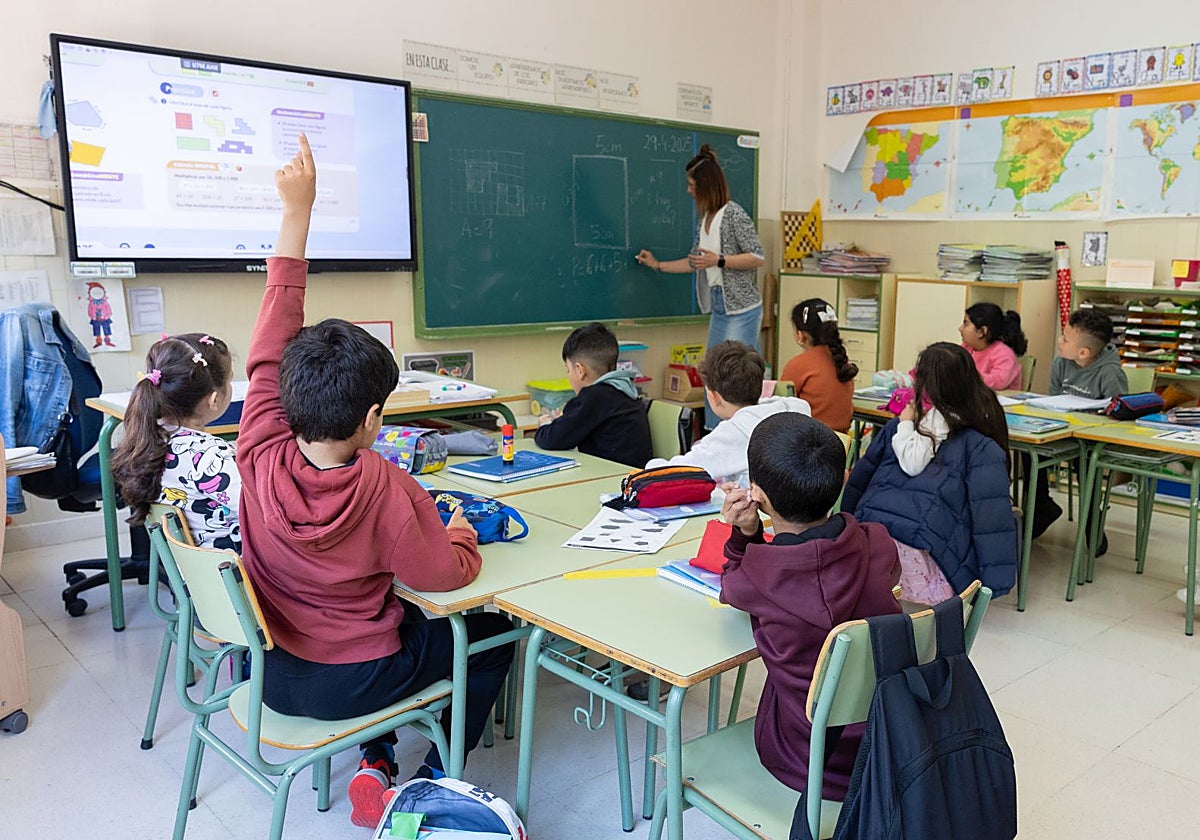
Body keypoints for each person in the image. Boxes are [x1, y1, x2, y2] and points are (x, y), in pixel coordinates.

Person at [235, 134, 514, 829]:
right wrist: (458, 535)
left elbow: (270, 339)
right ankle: (429, 780)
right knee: (489, 636)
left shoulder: (258, 447)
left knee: (388, 620)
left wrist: (295, 213)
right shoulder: (386, 487)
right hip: (352, 678)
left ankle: (376, 760)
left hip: (269, 669)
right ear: (371, 420)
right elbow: (444, 576)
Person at [718, 412, 901, 799]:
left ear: (758, 496)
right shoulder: (878, 542)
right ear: (843, 481)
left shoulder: (757, 579)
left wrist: (745, 533)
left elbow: (730, 584)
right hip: (886, 744)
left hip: (804, 758)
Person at [841, 342, 1017, 603]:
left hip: (869, 546)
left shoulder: (899, 427)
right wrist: (996, 583)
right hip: (929, 557)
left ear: (923, 385)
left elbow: (859, 481)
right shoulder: (981, 446)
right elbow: (991, 519)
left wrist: (844, 526)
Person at [634, 144, 765, 430]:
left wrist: (719, 260)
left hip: (742, 308)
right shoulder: (705, 220)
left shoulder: (733, 214)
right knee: (712, 375)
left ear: (705, 185)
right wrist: (657, 265)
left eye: (692, 185)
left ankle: (737, 434)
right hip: (720, 307)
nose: (688, 190)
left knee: (733, 379)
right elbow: (695, 262)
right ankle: (713, 433)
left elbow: (757, 256)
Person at [111, 333, 240, 551]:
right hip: (237, 568)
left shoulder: (148, 443)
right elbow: (263, 510)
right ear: (214, 400)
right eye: (229, 380)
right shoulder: (210, 456)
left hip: (191, 570)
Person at [645, 340, 812, 487]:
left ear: (715, 397)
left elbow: (677, 472)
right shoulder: (794, 407)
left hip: (761, 512)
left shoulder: (734, 432)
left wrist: (651, 465)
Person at [1030, 308, 1128, 545]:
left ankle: (1092, 521)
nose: (1059, 340)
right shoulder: (1061, 363)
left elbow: (1119, 414)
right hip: (1062, 431)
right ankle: (1042, 506)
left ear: (1083, 352)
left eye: (1065, 338)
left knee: (1085, 460)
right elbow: (1054, 401)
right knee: (1031, 448)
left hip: (1093, 440)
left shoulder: (1110, 373)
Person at [534, 322, 652, 468]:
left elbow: (552, 439)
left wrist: (545, 425)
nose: (568, 375)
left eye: (568, 370)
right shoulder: (625, 390)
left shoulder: (594, 397)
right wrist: (563, 422)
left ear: (580, 370)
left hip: (613, 477)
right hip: (635, 474)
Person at [780, 298, 857, 432]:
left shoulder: (798, 364)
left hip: (809, 438)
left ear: (800, 335)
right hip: (842, 441)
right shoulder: (841, 360)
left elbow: (780, 406)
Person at [958, 303, 1028, 391]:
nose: (960, 328)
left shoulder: (1004, 354)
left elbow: (998, 382)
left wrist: (967, 377)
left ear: (981, 331)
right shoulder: (967, 348)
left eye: (966, 324)